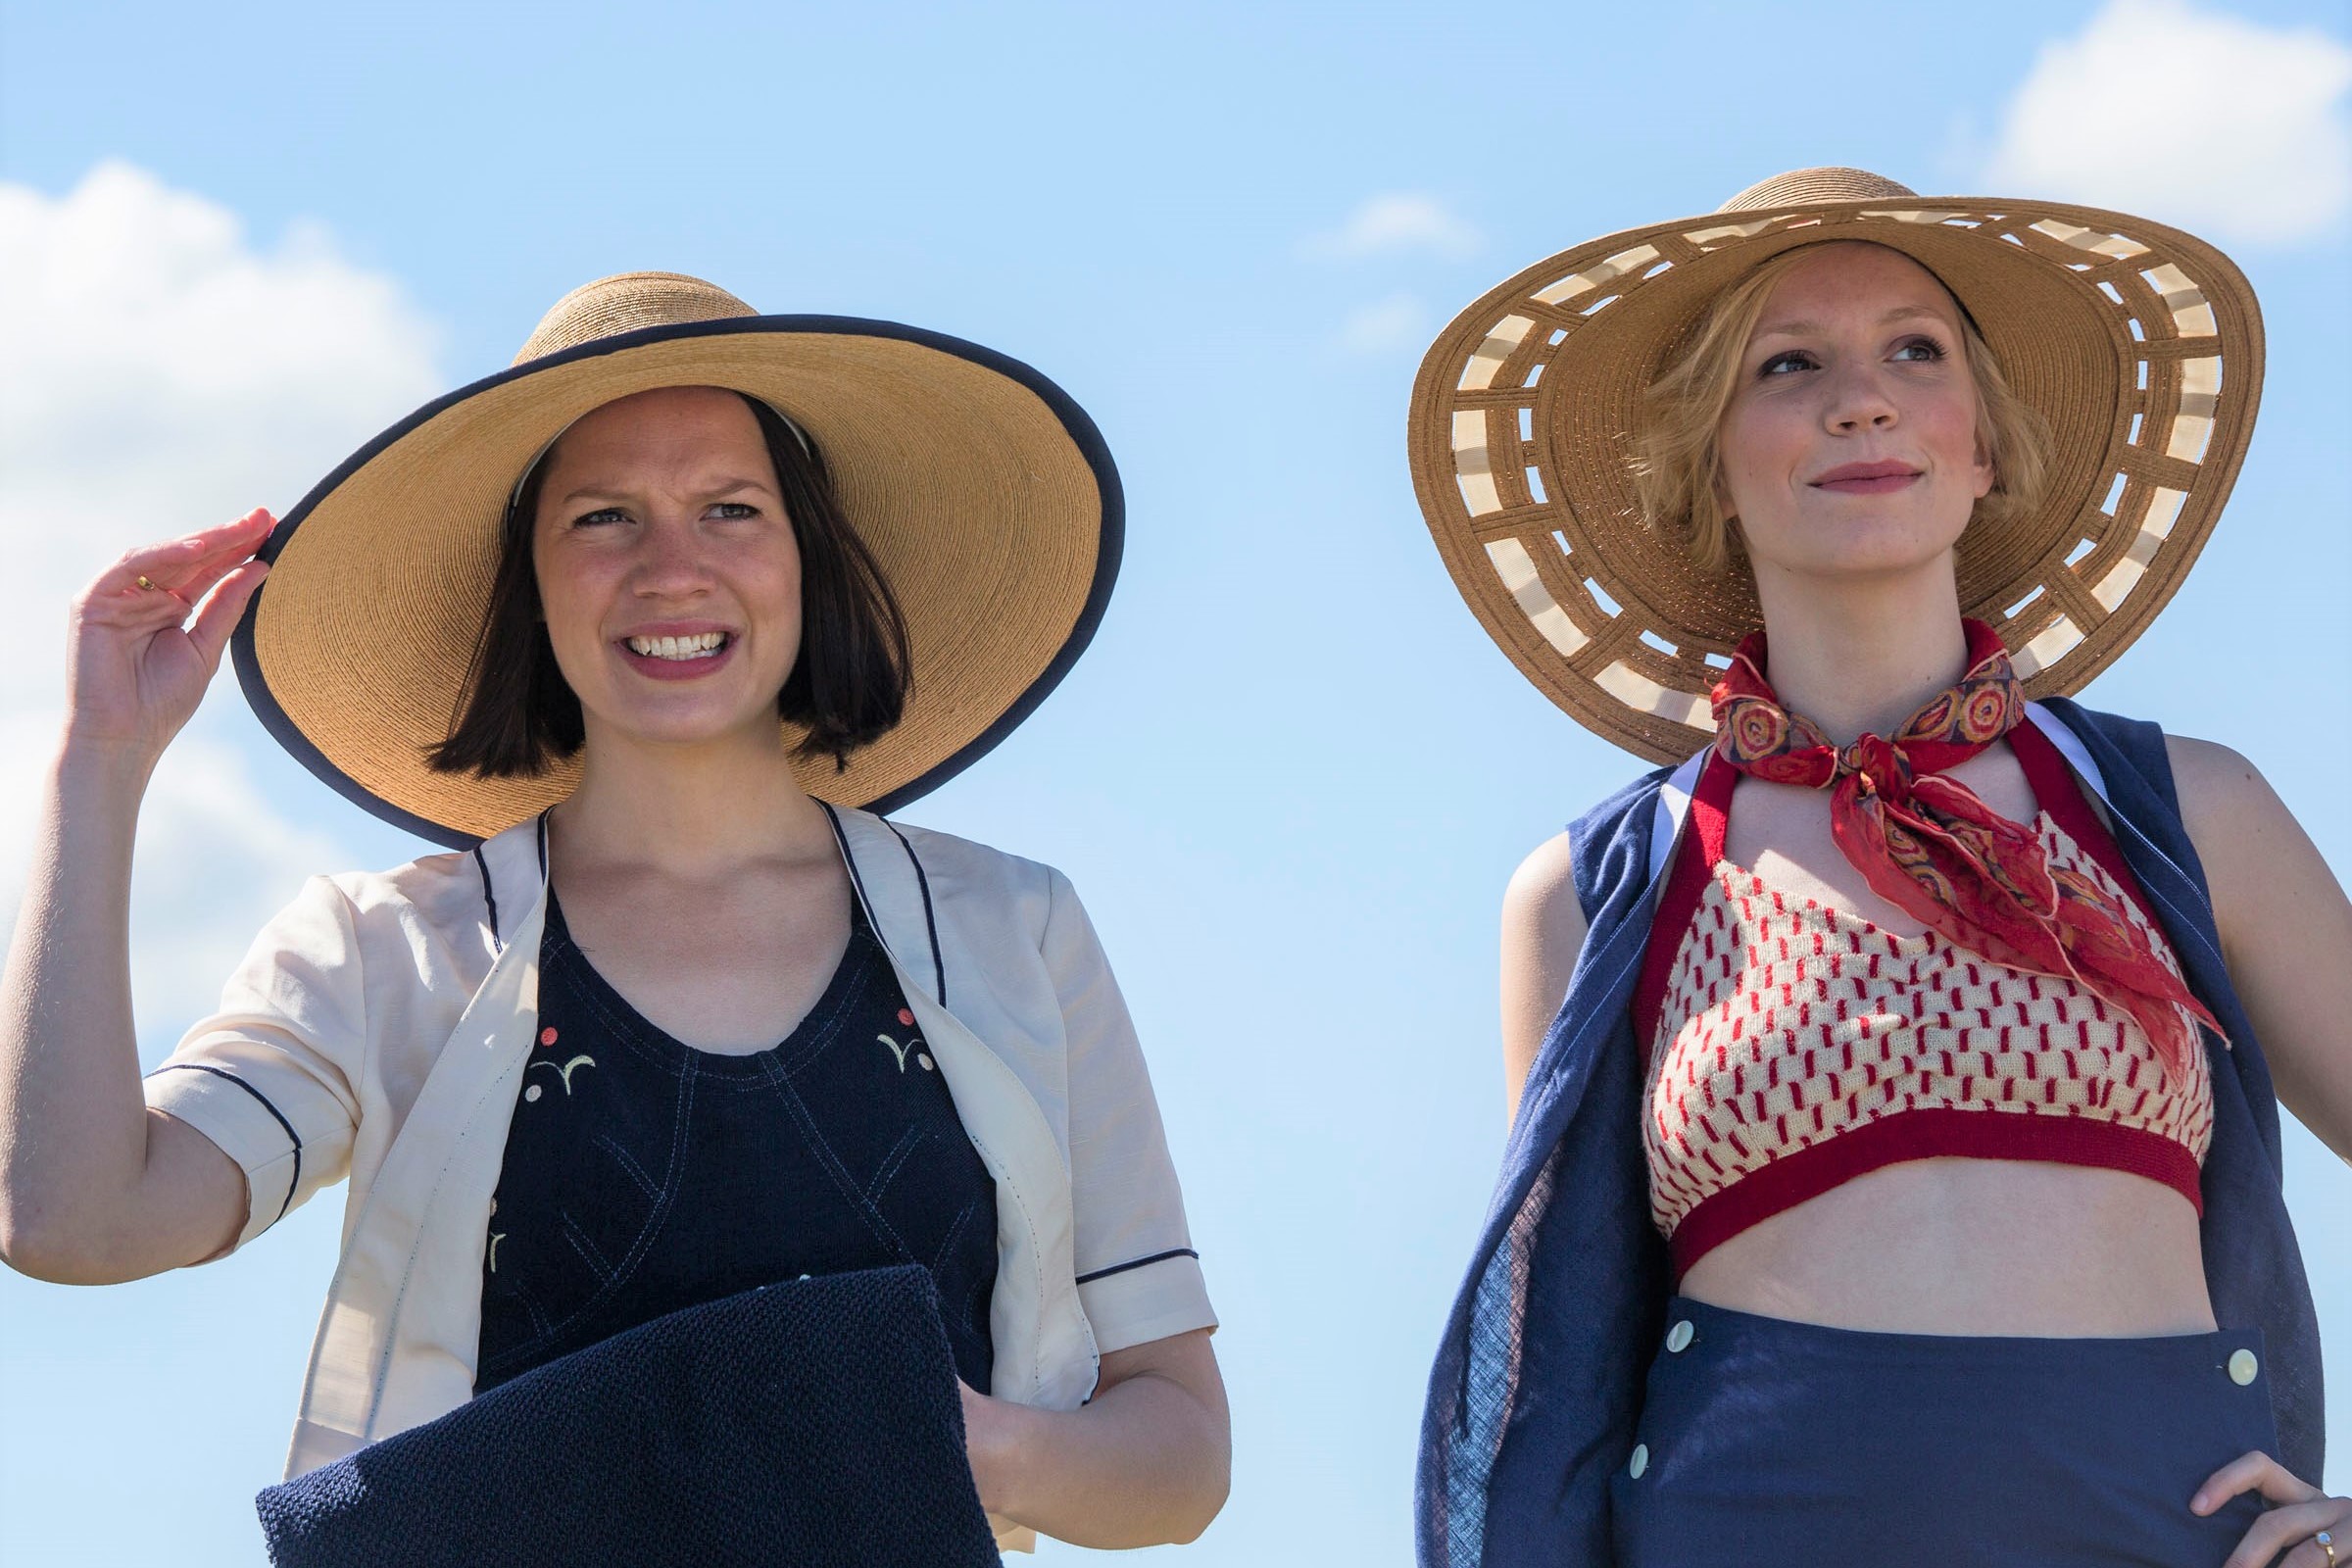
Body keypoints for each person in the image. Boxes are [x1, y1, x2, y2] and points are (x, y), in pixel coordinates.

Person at [0, 271, 1228, 1554]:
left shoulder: (1015, 933)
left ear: (810, 556)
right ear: (530, 580)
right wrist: (103, 761)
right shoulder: (386, 957)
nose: (672, 568)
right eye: (605, 518)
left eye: (730, 509)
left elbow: (1182, 1453)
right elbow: (76, 1223)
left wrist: (929, 1432)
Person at [1405, 171, 2351, 1565]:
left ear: (1986, 449)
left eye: (1918, 350)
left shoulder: (2185, 812)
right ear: (1706, 468)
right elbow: (1567, 1354)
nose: (1864, 399)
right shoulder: (1601, 889)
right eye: (1789, 366)